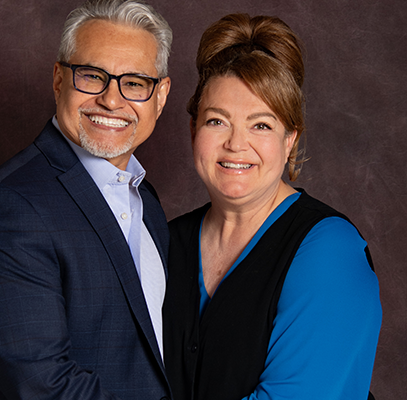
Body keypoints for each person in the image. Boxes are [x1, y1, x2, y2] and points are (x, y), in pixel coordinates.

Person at [0, 1, 172, 399]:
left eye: (135, 83)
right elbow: (46, 387)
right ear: (58, 79)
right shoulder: (7, 210)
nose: (111, 100)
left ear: (160, 96)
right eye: (92, 76)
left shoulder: (145, 200)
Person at [162, 13, 382, 400]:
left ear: (290, 140)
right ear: (193, 129)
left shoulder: (330, 251)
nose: (235, 144)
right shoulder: (163, 243)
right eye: (217, 121)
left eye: (261, 125)